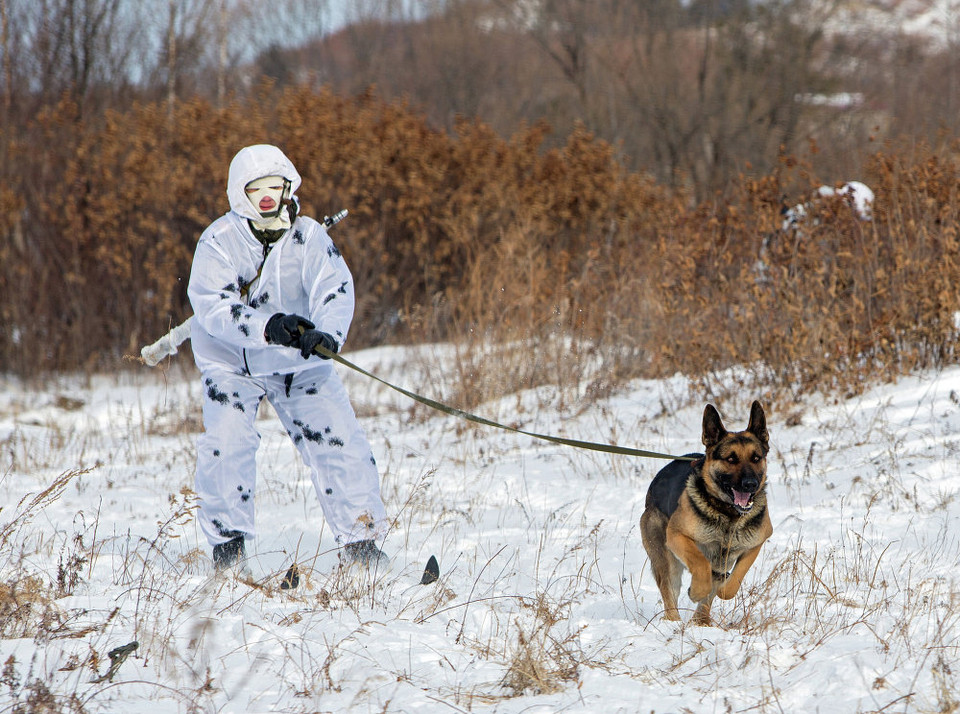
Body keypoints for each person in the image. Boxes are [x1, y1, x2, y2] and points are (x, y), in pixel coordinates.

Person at [187, 144, 388, 572]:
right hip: (232, 362)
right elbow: (213, 306)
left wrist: (327, 335)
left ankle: (363, 546)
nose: (265, 196)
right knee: (227, 444)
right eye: (254, 187)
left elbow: (335, 288)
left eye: (274, 186)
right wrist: (266, 326)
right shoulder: (218, 242)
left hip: (298, 361)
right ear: (238, 191)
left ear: (288, 187)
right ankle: (228, 550)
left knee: (340, 441)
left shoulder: (309, 236)